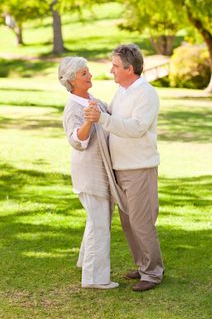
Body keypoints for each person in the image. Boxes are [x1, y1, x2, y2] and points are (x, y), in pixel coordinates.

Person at [84, 44, 164, 292]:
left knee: (142, 222)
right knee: (129, 223)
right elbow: (114, 115)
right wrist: (100, 107)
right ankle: (143, 266)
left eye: (116, 66)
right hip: (121, 168)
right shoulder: (122, 92)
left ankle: (152, 273)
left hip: (139, 168)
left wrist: (104, 119)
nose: (111, 70)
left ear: (130, 68)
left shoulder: (146, 94)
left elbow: (137, 127)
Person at [58, 56, 120, 290]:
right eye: (85, 73)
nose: (90, 75)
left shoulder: (91, 99)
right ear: (73, 80)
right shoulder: (73, 107)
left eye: (88, 71)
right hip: (89, 174)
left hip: (99, 171)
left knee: (97, 220)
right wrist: (88, 122)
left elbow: (111, 114)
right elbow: (76, 140)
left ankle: (86, 262)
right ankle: (95, 278)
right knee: (99, 224)